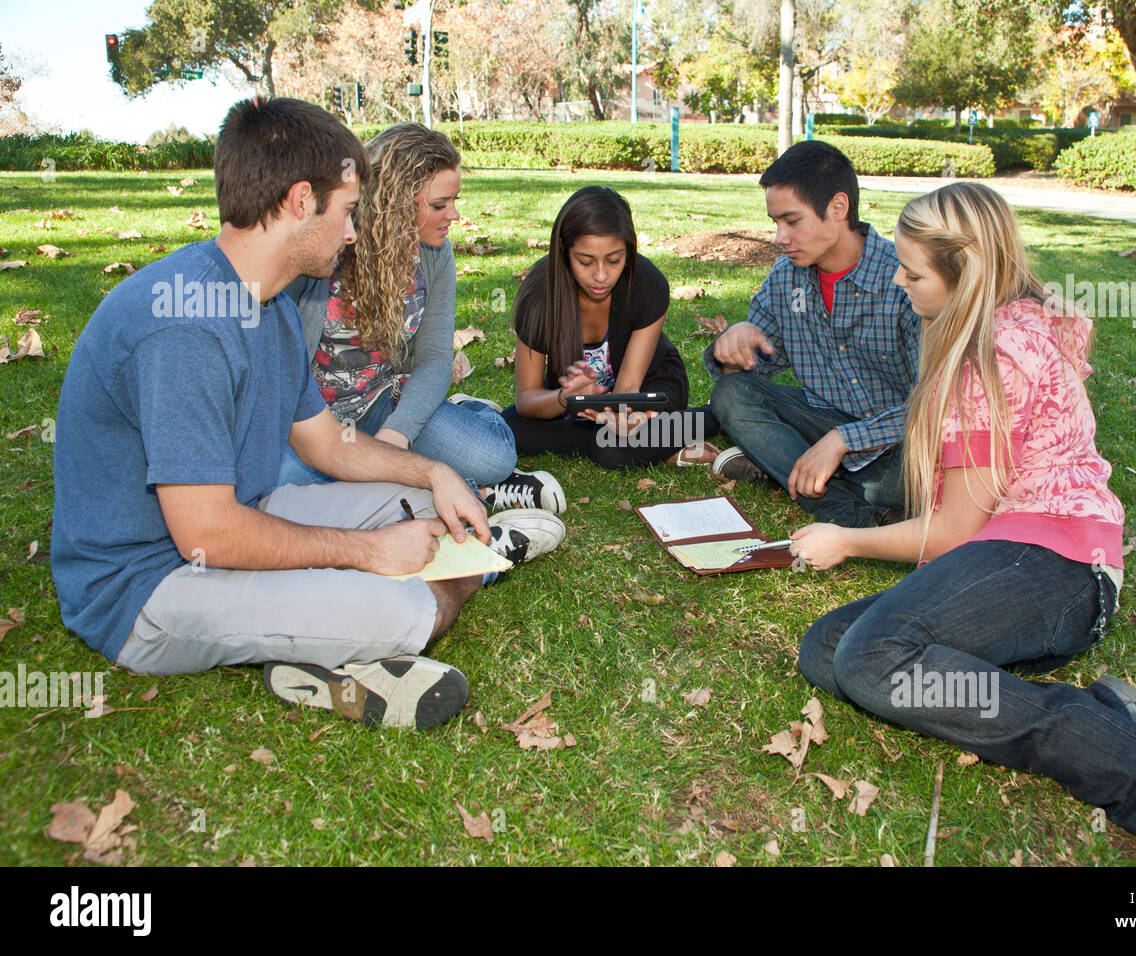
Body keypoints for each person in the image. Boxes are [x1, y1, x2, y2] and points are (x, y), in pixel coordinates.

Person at [51, 98, 565, 731]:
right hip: (149, 586)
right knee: (403, 608)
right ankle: (385, 622)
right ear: (301, 200)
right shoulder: (185, 328)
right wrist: (369, 551)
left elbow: (330, 446)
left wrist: (433, 472)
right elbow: (208, 536)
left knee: (429, 515)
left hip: (247, 512)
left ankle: (341, 638)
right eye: (348, 212)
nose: (355, 233)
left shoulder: (267, 306)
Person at [791, 182, 1136, 866]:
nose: (897, 281)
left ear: (963, 274)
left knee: (872, 657)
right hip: (1011, 558)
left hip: (1057, 564)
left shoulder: (987, 358)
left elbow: (950, 534)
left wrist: (847, 539)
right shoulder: (1005, 322)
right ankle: (1117, 719)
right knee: (831, 647)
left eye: (912, 272)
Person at [277, 122, 564, 514]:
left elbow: (432, 361)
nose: (455, 215)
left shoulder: (434, 255)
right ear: (395, 202)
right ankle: (465, 488)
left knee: (494, 458)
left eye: (454, 200)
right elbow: (280, 375)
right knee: (274, 488)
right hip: (314, 424)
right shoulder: (328, 246)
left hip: (384, 404)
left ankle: (472, 421)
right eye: (439, 204)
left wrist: (396, 437)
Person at [705, 140, 920, 527]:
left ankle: (788, 468)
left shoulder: (906, 279)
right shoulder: (786, 278)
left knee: (913, 480)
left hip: (904, 444)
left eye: (792, 221)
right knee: (730, 395)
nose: (779, 238)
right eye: (775, 223)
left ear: (838, 208)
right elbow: (749, 381)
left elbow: (938, 404)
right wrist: (733, 346)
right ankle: (844, 504)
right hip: (821, 423)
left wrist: (842, 441)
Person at [503, 185, 720, 469]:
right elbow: (527, 399)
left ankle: (710, 419)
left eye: (615, 260)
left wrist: (627, 421)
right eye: (585, 261)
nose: (601, 276)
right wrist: (563, 398)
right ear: (563, 251)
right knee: (509, 429)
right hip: (579, 407)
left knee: (613, 449)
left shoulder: (647, 284)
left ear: (628, 252)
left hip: (648, 391)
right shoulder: (539, 295)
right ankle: (661, 441)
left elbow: (629, 386)